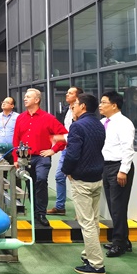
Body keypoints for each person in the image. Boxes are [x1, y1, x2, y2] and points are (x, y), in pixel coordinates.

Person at [59, 93, 106, 274]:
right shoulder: (99, 125)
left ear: (83, 106)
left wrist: (66, 170)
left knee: (86, 223)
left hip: (82, 180)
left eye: (75, 104)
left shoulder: (77, 126)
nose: (73, 107)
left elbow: (72, 154)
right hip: (97, 177)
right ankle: (89, 254)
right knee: (93, 221)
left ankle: (96, 265)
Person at [12, 88, 68, 227]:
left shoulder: (48, 118)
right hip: (25, 158)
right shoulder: (20, 118)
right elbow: (16, 139)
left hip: (42, 157)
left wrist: (53, 150)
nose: (25, 99)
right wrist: (15, 158)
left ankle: (41, 213)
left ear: (37, 100)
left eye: (28, 97)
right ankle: (35, 213)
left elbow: (64, 136)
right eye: (25, 96)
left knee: (41, 180)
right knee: (30, 183)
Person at [99, 90, 136, 257]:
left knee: (118, 207)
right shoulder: (103, 122)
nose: (100, 105)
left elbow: (128, 148)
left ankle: (119, 243)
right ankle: (123, 240)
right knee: (113, 206)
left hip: (118, 168)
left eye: (104, 102)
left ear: (114, 105)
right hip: (106, 167)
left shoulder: (124, 123)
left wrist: (123, 170)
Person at [48, 86, 83, 216]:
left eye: (70, 93)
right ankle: (60, 207)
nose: (67, 95)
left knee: (77, 179)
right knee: (59, 176)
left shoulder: (81, 112)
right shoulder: (67, 110)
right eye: (67, 92)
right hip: (66, 149)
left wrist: (61, 138)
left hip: (77, 150)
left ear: (78, 96)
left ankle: (81, 210)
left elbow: (77, 133)